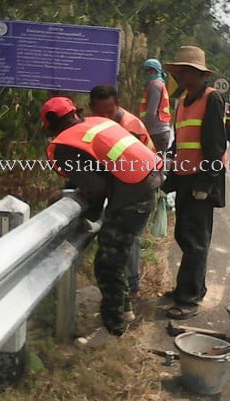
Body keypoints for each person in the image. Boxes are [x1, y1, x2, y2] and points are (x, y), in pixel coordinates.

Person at [40, 97, 164, 346]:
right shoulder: (96, 123)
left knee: (108, 264)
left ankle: (114, 327)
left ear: (51, 125)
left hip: (133, 195)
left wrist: (92, 212)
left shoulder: (64, 145)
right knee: (114, 258)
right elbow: (94, 167)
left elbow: (96, 187)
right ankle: (123, 309)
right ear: (76, 113)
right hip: (148, 181)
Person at [162, 46, 227, 320]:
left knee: (195, 240)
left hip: (202, 180)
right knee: (184, 236)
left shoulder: (212, 99)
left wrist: (206, 182)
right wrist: (169, 175)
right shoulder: (183, 101)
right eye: (179, 73)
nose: (182, 77)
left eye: (186, 72)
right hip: (185, 178)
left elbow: (215, 144)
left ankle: (188, 299)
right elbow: (180, 143)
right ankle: (192, 287)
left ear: (199, 74)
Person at [89, 84, 154, 299]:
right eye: (100, 113)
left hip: (140, 184)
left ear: (118, 104)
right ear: (91, 109)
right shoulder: (96, 125)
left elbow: (126, 166)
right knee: (119, 237)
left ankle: (132, 286)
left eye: (110, 111)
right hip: (123, 184)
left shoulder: (129, 126)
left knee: (129, 236)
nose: (106, 117)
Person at [139, 59, 172, 153]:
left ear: (156, 71)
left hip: (156, 132)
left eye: (150, 70)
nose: (147, 73)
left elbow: (151, 112)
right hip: (159, 132)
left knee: (154, 164)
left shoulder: (155, 85)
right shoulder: (158, 84)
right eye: (146, 70)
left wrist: (143, 130)